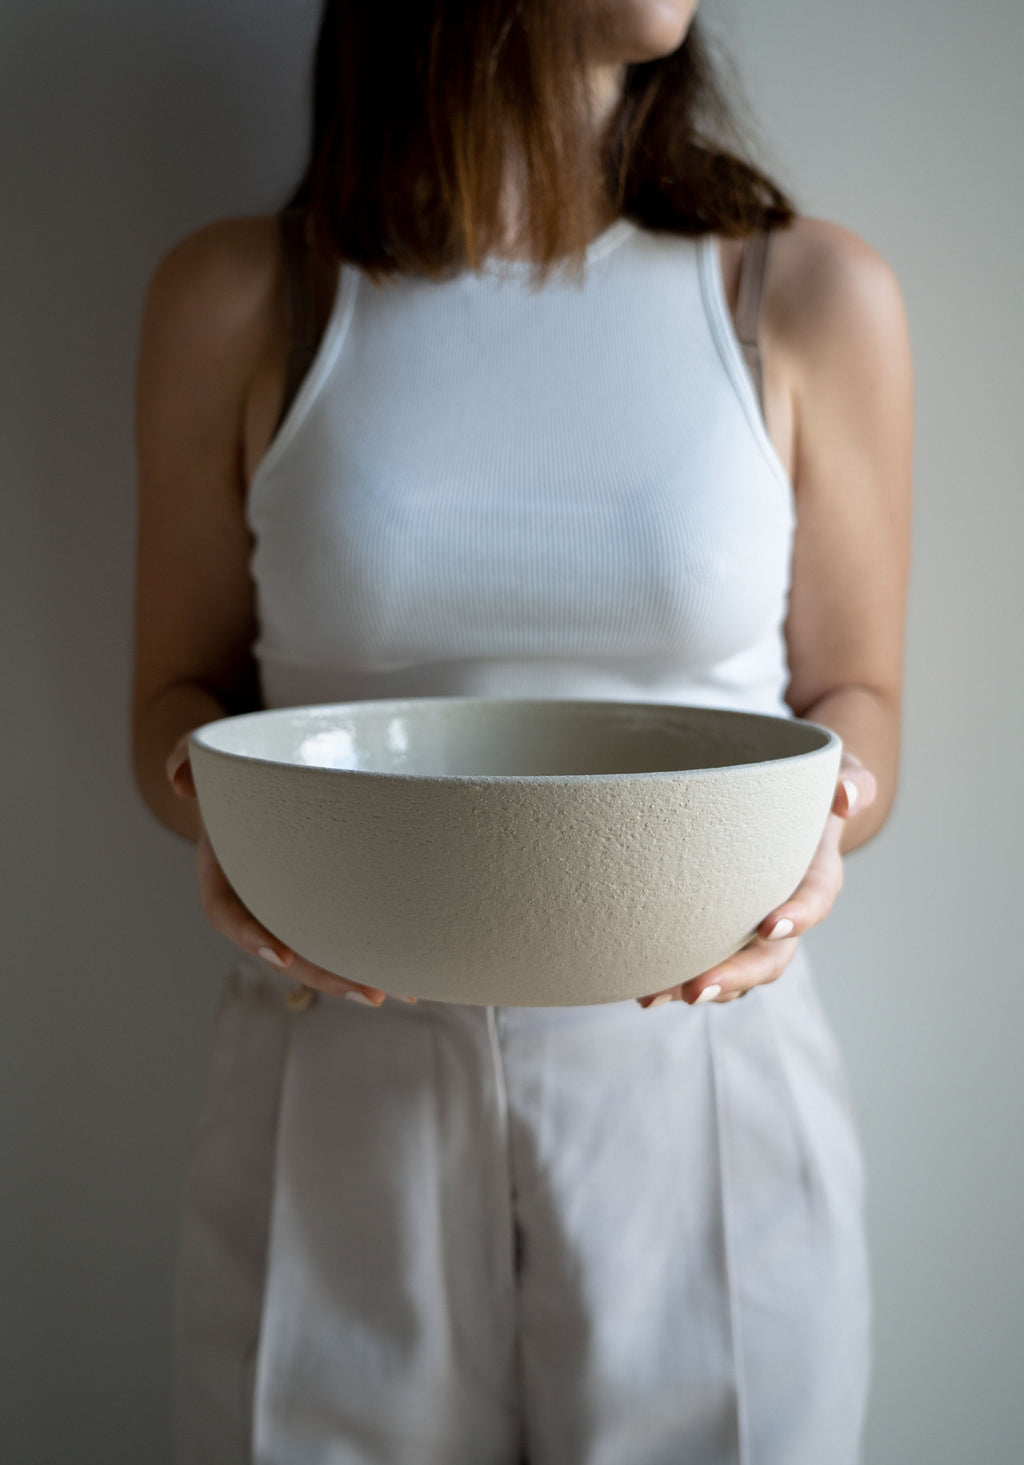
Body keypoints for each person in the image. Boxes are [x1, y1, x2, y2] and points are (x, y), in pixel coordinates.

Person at [131, 2, 913, 1461]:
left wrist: (830, 816)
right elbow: (175, 698)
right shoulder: (245, 298)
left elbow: (854, 695)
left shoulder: (801, 295)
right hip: (338, 1066)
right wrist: (216, 804)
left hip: (702, 1080)